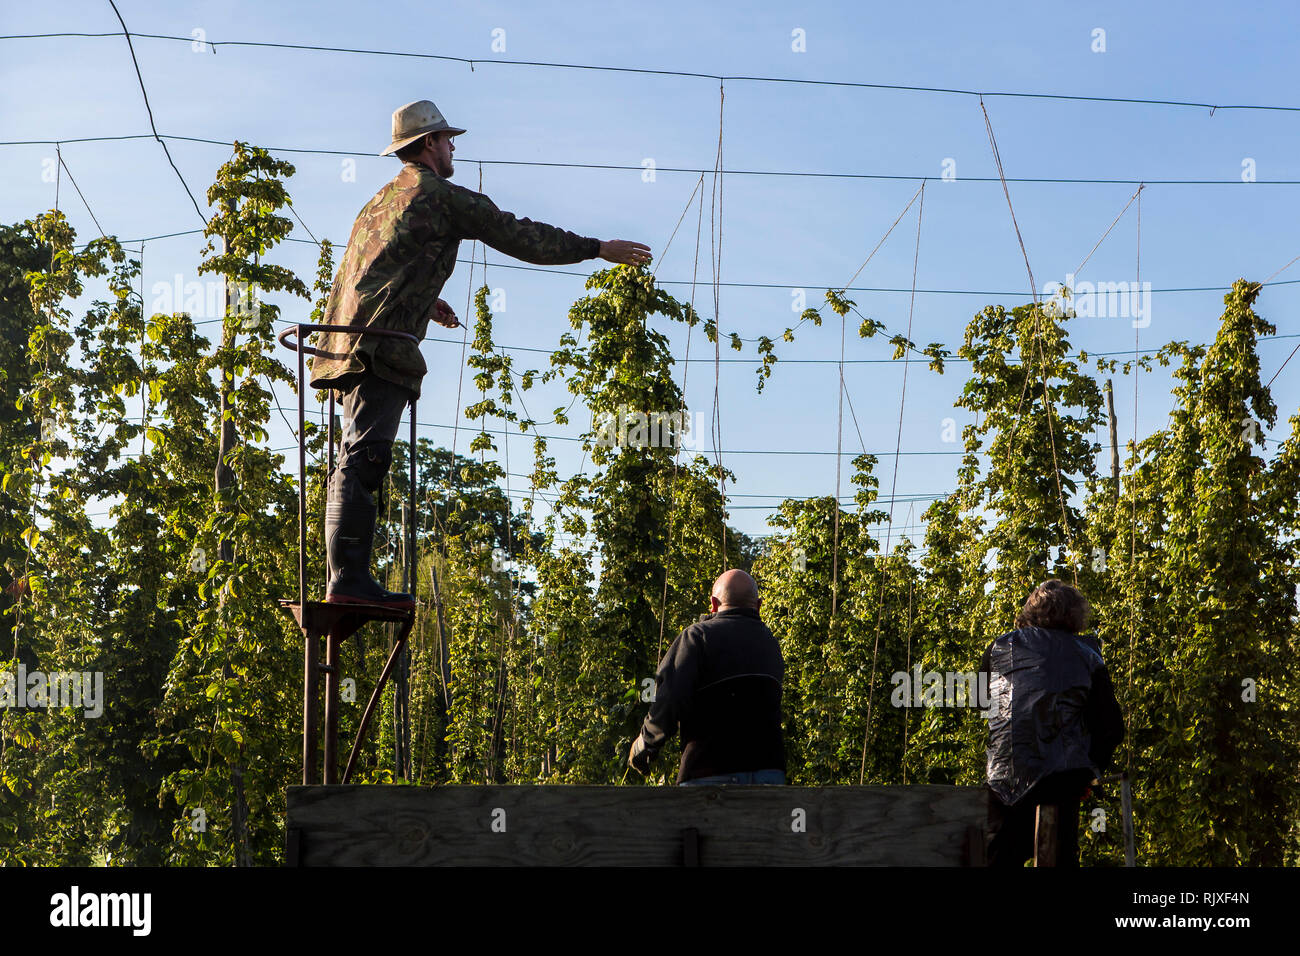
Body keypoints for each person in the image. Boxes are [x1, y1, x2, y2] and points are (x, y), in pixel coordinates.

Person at [309, 99, 652, 607]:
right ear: (428, 144)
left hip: (345, 345)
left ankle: (346, 578)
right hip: (379, 350)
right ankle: (347, 583)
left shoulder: (379, 201)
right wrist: (598, 249)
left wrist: (424, 303)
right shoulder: (439, 195)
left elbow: (375, 272)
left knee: (355, 457)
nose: (453, 148)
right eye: (448, 140)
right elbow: (518, 234)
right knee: (365, 459)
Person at [980, 579, 1126, 866]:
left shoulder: (998, 648)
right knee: (1058, 857)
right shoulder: (1088, 656)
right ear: (1075, 615)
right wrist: (1089, 775)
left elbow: (980, 703)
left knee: (1000, 858)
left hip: (1003, 783)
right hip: (1061, 784)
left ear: (1029, 613)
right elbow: (1110, 728)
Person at [628, 569, 786, 785]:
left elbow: (669, 699)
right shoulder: (771, 643)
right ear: (758, 605)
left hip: (711, 773)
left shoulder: (697, 637)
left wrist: (645, 743)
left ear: (713, 603)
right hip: (770, 775)